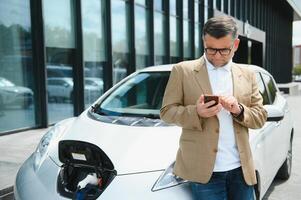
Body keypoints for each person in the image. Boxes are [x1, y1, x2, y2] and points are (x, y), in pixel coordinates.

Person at [160, 15, 267, 200]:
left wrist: (239, 110)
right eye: (210, 49)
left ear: (235, 45)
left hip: (241, 170)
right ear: (204, 41)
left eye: (224, 50)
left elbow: (260, 117)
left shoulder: (248, 74)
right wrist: (196, 112)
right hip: (204, 173)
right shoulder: (182, 71)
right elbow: (166, 112)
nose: (216, 56)